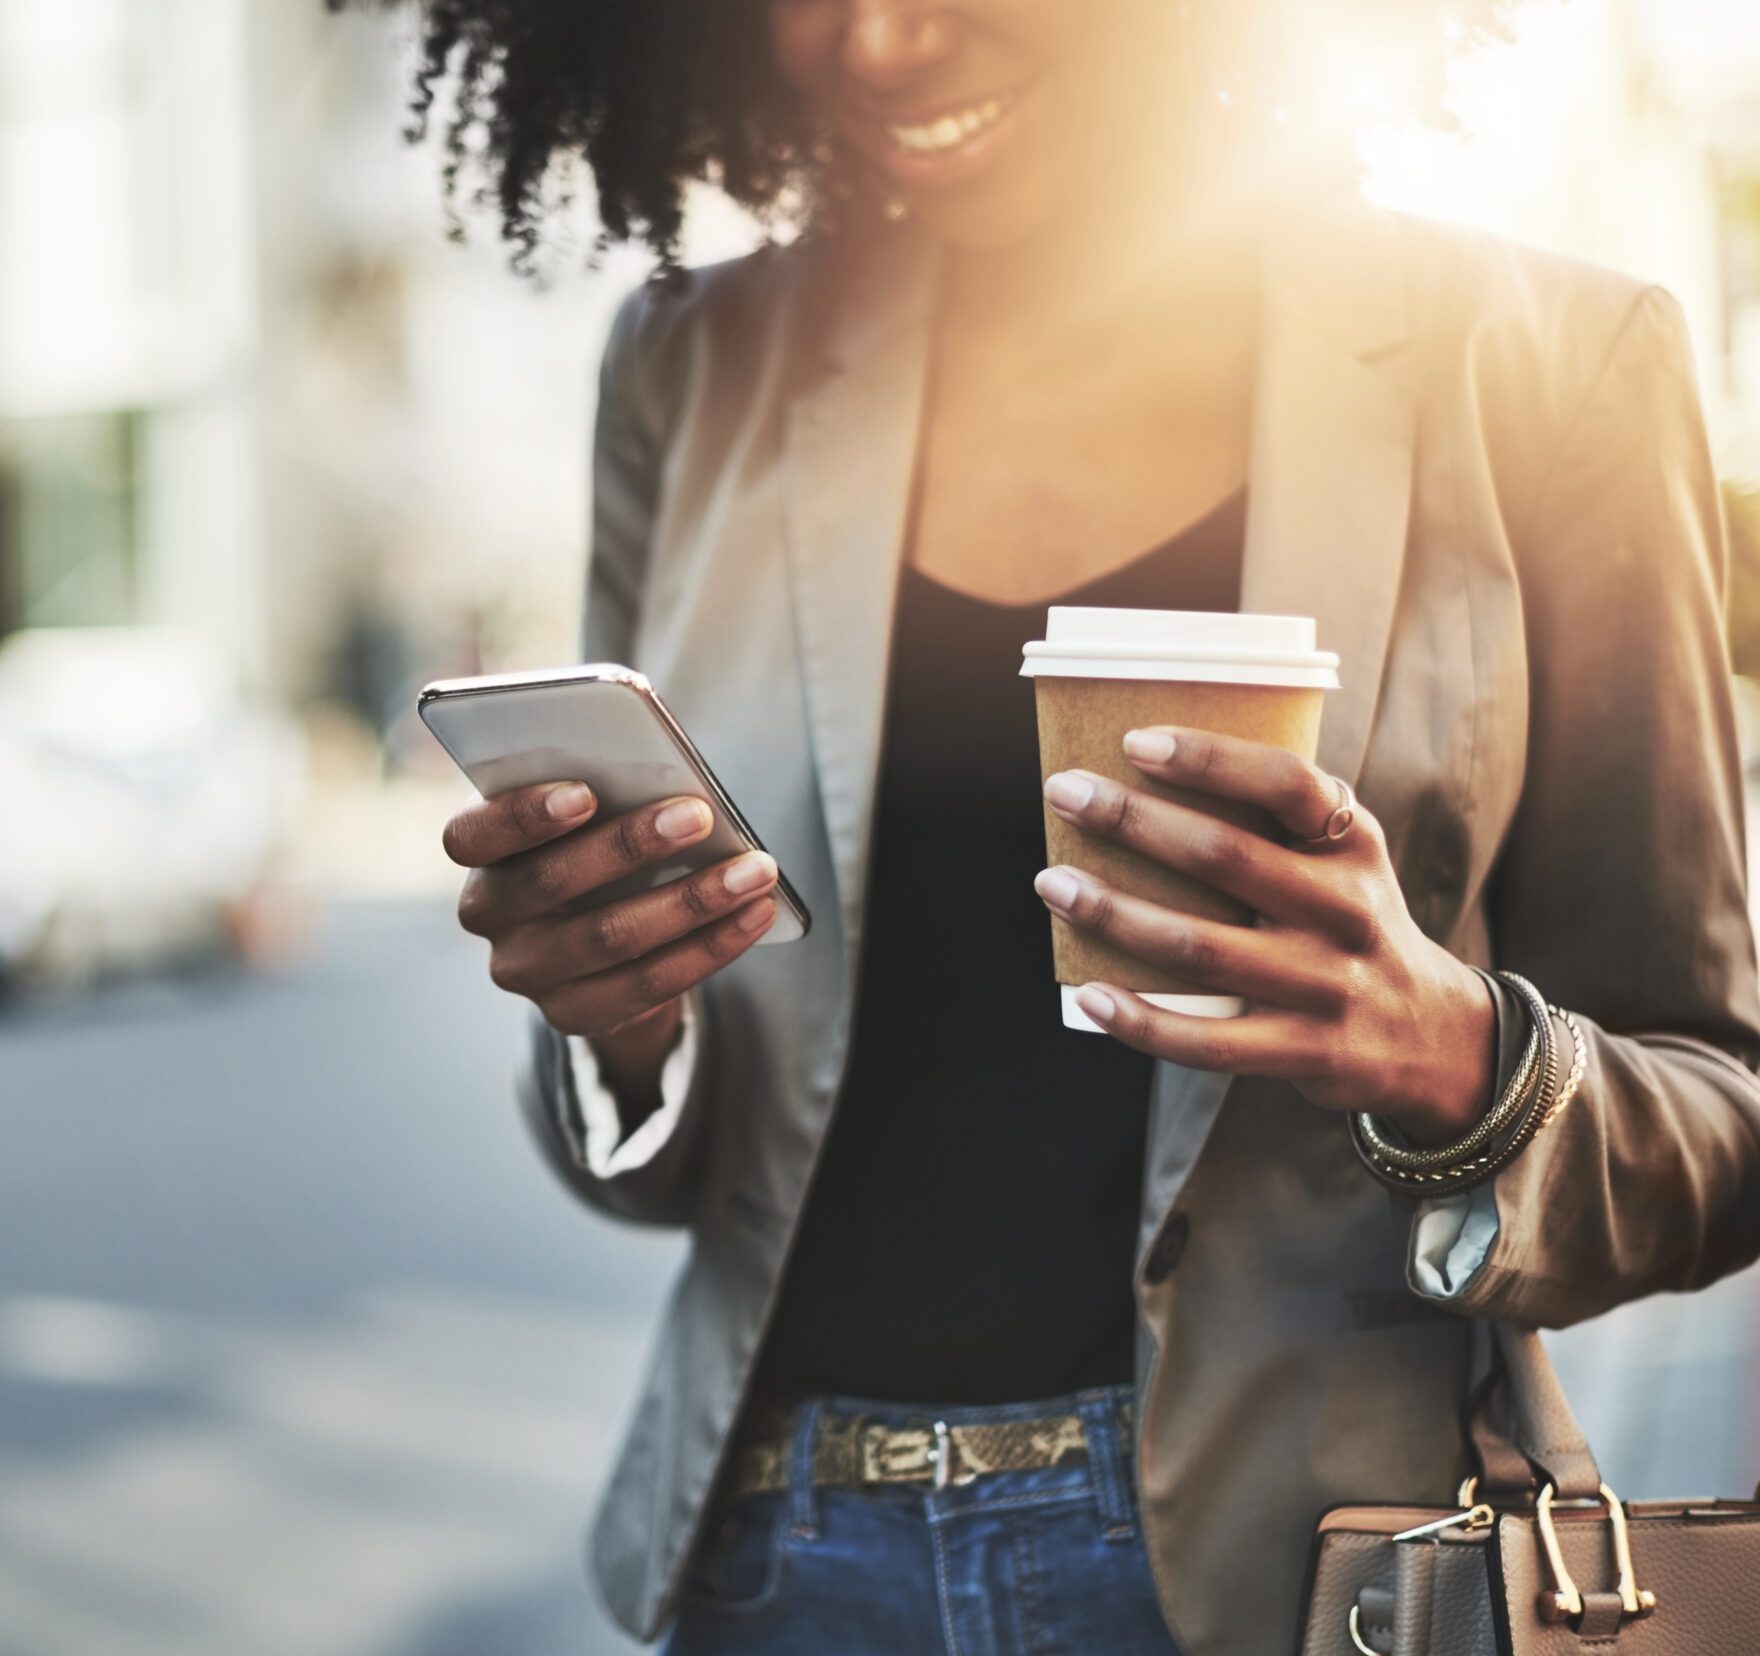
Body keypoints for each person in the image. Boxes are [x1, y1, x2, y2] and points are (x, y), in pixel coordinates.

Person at [379, 0, 1760, 1652]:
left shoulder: (1547, 361)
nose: (879, 44)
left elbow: (1717, 1120)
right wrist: (623, 1023)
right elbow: (670, 1164)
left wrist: (1457, 1055)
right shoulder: (692, 361)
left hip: (1312, 1576)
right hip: (781, 1559)